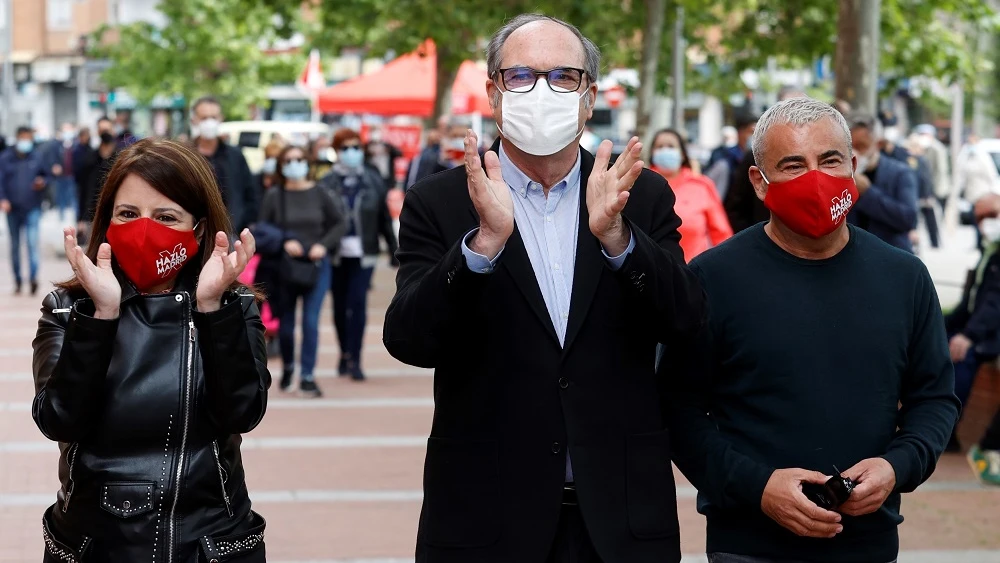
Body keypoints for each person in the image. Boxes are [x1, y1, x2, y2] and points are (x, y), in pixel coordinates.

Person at [384, 13, 705, 563]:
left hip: (618, 514)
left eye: (563, 77)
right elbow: (410, 339)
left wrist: (619, 239)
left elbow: (686, 321)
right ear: (493, 91)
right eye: (521, 76)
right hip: (486, 515)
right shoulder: (439, 202)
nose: (542, 91)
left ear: (589, 94)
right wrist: (481, 246)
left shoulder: (639, 195)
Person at [665, 97, 960, 563]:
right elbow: (678, 411)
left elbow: (935, 399)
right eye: (793, 165)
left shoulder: (904, 278)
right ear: (760, 184)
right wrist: (757, 487)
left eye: (829, 161)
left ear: (854, 166)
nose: (816, 179)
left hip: (869, 544)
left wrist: (895, 467)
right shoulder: (710, 280)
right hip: (748, 546)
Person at [32, 138, 270, 562]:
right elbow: (59, 420)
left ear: (197, 227)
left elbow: (242, 412)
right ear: (106, 222)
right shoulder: (69, 310)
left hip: (206, 544)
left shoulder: (232, 307)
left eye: (166, 216)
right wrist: (101, 316)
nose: (144, 229)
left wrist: (213, 309)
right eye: (127, 214)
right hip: (94, 543)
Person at [259, 145, 345, 397]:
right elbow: (262, 228)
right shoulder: (276, 195)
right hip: (285, 268)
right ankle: (288, 367)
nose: (294, 164)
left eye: (299, 159)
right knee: (286, 323)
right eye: (288, 160)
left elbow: (339, 223)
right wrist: (284, 241)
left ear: (308, 163)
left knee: (310, 321)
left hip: (316, 266)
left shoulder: (320, 193)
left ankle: (307, 375)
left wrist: (323, 245)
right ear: (281, 166)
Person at [318, 128, 398, 381]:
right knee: (340, 305)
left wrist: (395, 250)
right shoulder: (327, 181)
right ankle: (344, 353)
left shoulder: (373, 179)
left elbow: (384, 218)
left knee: (357, 302)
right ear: (337, 151)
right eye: (345, 148)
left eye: (355, 147)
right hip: (335, 253)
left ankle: (356, 358)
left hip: (365, 252)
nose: (351, 153)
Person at [649, 128, 732, 261]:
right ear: (652, 153)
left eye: (671, 146)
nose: (665, 150)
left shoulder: (701, 186)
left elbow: (721, 234)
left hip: (695, 272)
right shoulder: (640, 185)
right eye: (659, 147)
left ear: (682, 154)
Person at [846, 114, 919, 253]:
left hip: (891, 256)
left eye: (861, 146)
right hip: (852, 258)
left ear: (878, 144)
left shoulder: (900, 172)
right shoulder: (840, 174)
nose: (854, 153)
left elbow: (908, 219)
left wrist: (867, 193)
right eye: (849, 147)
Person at [190, 96, 258, 233]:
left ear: (220, 118)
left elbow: (250, 192)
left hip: (231, 231)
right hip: (195, 233)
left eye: (213, 117)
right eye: (204, 118)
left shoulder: (235, 155)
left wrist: (245, 223)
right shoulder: (186, 155)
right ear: (194, 120)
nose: (209, 122)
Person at [0, 126, 49, 295]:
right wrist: (3, 199)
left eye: (29, 139)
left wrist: (42, 182)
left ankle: (33, 277)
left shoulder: (37, 156)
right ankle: (18, 279)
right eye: (24, 138)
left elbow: (46, 175)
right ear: (18, 137)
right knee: (15, 246)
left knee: (32, 243)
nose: (26, 142)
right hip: (12, 209)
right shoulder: (6, 158)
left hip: (32, 207)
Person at [882, 125, 940, 249]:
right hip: (912, 193)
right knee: (913, 219)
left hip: (916, 194)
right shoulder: (910, 158)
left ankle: (931, 241)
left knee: (922, 218)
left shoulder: (914, 159)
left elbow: (926, 179)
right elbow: (925, 178)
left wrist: (928, 194)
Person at [74, 130, 119, 246]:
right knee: (93, 246)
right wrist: (81, 218)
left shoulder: (116, 160)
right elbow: (84, 191)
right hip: (92, 211)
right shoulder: (90, 161)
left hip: (110, 210)